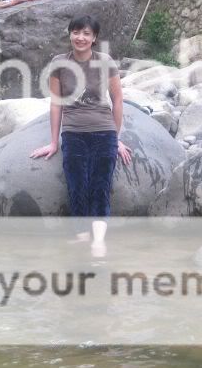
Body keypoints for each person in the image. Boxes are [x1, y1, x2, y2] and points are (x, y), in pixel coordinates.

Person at [31, 15, 132, 253]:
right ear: (70, 34)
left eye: (86, 33)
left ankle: (98, 239)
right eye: (76, 32)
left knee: (100, 184)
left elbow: (117, 100)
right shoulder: (59, 62)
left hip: (104, 130)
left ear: (94, 38)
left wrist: (116, 138)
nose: (81, 38)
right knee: (76, 184)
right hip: (74, 131)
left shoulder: (104, 61)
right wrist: (54, 142)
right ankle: (82, 234)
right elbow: (56, 104)